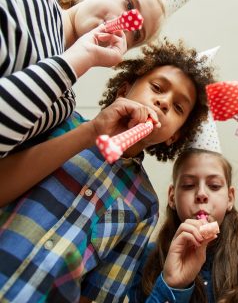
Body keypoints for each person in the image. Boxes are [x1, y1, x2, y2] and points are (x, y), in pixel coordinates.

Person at [0, 39, 216, 302]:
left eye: (178, 107)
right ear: (122, 91)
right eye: (157, 88)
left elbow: (99, 294)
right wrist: (91, 133)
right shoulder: (59, 123)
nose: (164, 103)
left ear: (174, 136)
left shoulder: (145, 205)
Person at [0, 0, 196, 157]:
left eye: (136, 33)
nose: (127, 22)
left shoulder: (60, 104)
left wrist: (80, 58)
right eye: (130, 5)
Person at [128, 146, 238, 302]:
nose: (201, 194)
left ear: (230, 198)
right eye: (188, 185)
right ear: (172, 197)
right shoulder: (144, 258)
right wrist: (171, 285)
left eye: (214, 186)